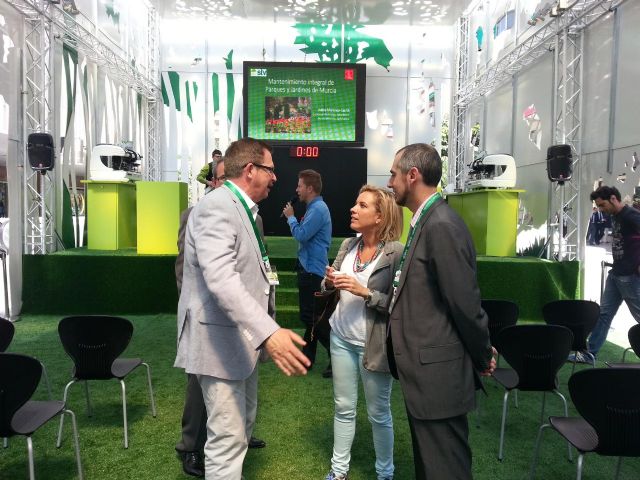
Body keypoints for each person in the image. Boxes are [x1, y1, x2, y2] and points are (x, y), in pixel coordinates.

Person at [175, 138, 310, 480]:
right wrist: (269, 332)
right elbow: (221, 279)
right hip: (219, 344)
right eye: (270, 170)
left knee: (239, 432)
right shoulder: (218, 207)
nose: (275, 178)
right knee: (227, 440)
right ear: (250, 170)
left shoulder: (241, 208)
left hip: (238, 342)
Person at [386, 143, 496, 480]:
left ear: (412, 175)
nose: (389, 182)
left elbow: (464, 304)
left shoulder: (441, 225)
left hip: (438, 378)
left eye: (393, 174)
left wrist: (483, 354)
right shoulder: (428, 220)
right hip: (426, 377)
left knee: (445, 469)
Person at [174, 156, 265, 479]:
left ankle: (230, 441)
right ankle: (190, 447)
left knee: (231, 422)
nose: (274, 178)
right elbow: (195, 273)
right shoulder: (205, 211)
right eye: (223, 178)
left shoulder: (252, 215)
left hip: (240, 329)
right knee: (206, 405)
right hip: (212, 327)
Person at [322, 186, 403, 480]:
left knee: (378, 413)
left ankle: (385, 473)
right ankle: (339, 470)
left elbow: (400, 304)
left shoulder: (396, 253)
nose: (353, 209)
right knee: (343, 408)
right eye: (356, 203)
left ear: (380, 216)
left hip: (374, 344)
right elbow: (326, 285)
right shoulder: (348, 245)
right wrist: (329, 282)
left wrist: (365, 292)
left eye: (362, 205)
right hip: (340, 338)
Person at [571, 185, 640, 363]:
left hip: (629, 277)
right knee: (604, 314)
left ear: (613, 199)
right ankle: (589, 354)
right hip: (616, 274)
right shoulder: (615, 216)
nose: (601, 209)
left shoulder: (631, 215)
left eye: (602, 205)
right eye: (598, 206)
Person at [282, 169, 332, 376]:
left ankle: (336, 356)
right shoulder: (315, 208)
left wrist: (291, 218)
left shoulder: (317, 209)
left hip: (312, 271)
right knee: (312, 318)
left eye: (299, 186)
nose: (297, 190)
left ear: (310, 188)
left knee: (313, 319)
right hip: (310, 270)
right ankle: (307, 359)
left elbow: (302, 235)